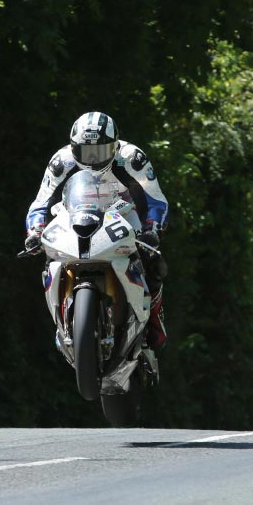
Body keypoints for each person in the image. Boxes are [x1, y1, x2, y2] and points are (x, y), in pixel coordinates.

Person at [24, 111, 169, 350]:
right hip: (74, 217)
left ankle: (154, 323)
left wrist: (152, 229)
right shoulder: (61, 162)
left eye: (99, 152)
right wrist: (35, 231)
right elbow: (41, 202)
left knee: (153, 262)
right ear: (73, 148)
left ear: (114, 146)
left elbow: (155, 200)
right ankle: (62, 322)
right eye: (85, 151)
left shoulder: (132, 158)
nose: (91, 159)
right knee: (50, 258)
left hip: (123, 215)